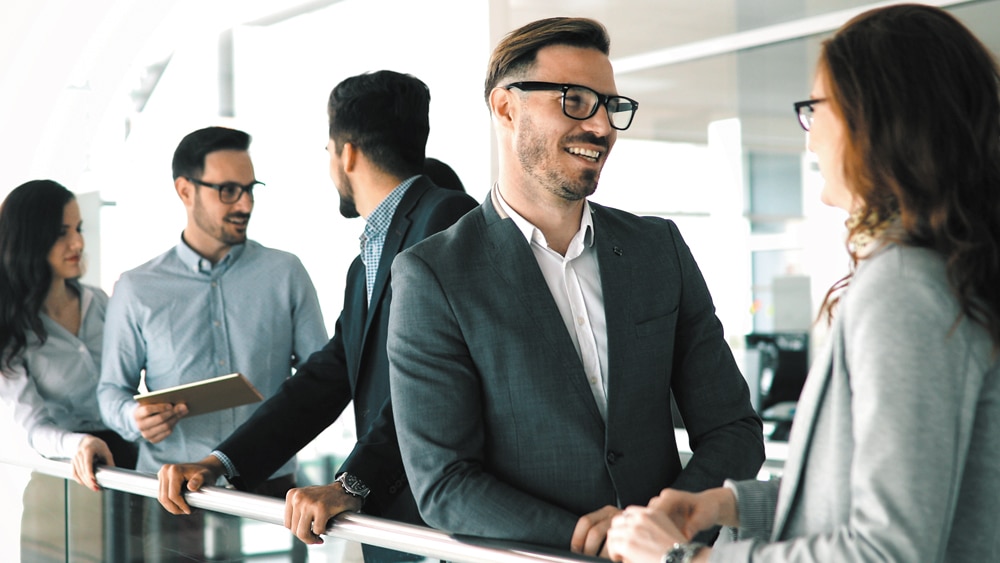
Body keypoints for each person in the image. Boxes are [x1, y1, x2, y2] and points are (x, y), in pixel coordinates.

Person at [605, 5, 1000, 562]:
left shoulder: (904, 288)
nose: (809, 140)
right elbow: (854, 499)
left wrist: (687, 558)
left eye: (815, 108)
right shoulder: (937, 273)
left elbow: (885, 551)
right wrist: (726, 505)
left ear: (875, 117)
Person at [387, 16, 765, 557]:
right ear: (505, 107)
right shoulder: (435, 274)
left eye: (610, 106)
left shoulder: (657, 249)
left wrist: (666, 523)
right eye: (576, 101)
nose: (603, 127)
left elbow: (733, 428)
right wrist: (582, 537)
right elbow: (443, 482)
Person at [155, 71, 477, 560]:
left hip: (443, 522)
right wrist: (221, 462)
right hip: (397, 520)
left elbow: (434, 383)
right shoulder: (365, 263)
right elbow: (327, 376)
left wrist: (352, 483)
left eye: (328, 151)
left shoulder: (446, 217)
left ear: (347, 154)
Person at [97, 126, 328, 560]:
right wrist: (134, 417)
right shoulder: (137, 288)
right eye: (228, 191)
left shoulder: (285, 273)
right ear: (185, 190)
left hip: (270, 490)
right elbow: (110, 391)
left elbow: (324, 376)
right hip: (173, 494)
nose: (245, 204)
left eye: (250, 189)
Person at [0, 179, 138, 561]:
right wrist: (76, 444)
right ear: (30, 238)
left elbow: (129, 382)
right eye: (62, 232)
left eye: (78, 229)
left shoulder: (101, 303)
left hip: (130, 468)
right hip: (64, 478)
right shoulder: (10, 329)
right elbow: (32, 427)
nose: (77, 243)